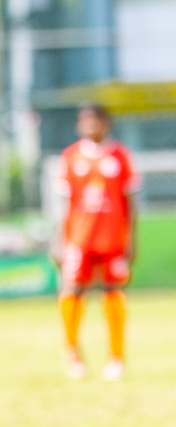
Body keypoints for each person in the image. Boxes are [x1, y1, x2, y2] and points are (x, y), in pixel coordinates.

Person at [53, 103, 140, 381]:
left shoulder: (120, 156)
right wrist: (59, 239)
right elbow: (63, 205)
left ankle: (116, 357)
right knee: (73, 291)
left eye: (95, 120)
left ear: (106, 123)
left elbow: (131, 203)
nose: (90, 125)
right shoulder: (71, 156)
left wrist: (131, 240)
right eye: (85, 120)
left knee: (113, 292)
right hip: (79, 238)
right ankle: (73, 355)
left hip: (112, 238)